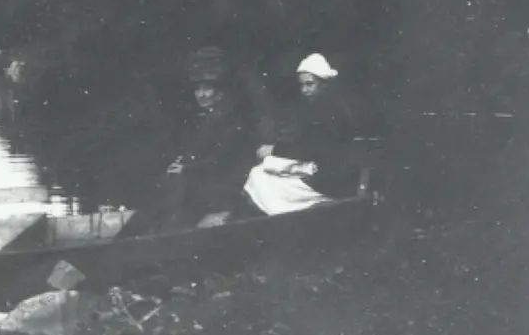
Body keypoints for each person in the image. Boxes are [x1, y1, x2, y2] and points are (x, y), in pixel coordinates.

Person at [124, 46, 259, 236]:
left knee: (177, 187)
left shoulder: (232, 120)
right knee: (165, 182)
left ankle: (155, 235)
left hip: (227, 183)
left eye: (207, 89)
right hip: (208, 176)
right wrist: (182, 161)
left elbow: (222, 159)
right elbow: (197, 150)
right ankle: (138, 233)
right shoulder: (207, 118)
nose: (201, 95)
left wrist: (187, 169)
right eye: (198, 89)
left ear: (220, 92)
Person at [243, 53, 359, 216]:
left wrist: (275, 150)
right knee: (263, 170)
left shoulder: (333, 110)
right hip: (322, 169)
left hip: (331, 178)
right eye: (302, 85)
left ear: (324, 84)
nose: (304, 90)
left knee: (260, 175)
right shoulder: (319, 106)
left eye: (310, 84)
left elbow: (313, 147)